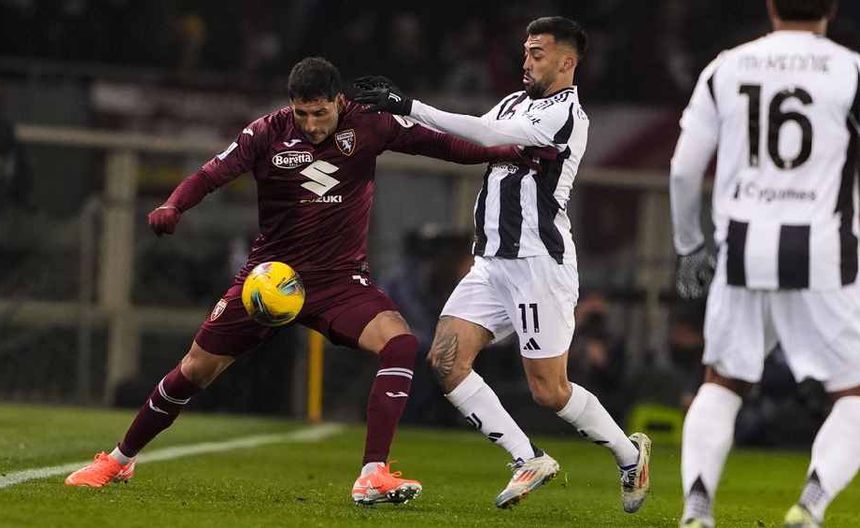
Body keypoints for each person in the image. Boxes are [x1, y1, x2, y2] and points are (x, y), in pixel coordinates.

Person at [64, 57, 544, 505]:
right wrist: (174, 205)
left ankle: (373, 473)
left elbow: (441, 145)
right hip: (269, 280)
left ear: (338, 100)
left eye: (319, 113)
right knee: (194, 370)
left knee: (400, 344)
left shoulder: (370, 123)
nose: (311, 125)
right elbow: (210, 174)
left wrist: (505, 152)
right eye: (301, 114)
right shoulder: (265, 132)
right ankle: (118, 460)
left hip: (339, 281)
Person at [352, 16, 651, 512]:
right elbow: (469, 139)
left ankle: (629, 455)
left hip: (538, 264)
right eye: (525, 51)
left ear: (566, 62)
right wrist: (394, 122)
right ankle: (527, 458)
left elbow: (487, 133)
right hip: (492, 263)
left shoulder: (568, 116)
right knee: (445, 360)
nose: (526, 61)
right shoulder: (514, 101)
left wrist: (411, 105)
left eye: (537, 53)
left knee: (549, 391)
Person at [670, 1, 860, 526]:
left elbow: (684, 170)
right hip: (826, 250)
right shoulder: (851, 70)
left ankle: (697, 504)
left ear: (772, 5)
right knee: (852, 391)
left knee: (722, 382)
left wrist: (689, 246)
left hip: (743, 248)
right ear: (832, 9)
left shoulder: (726, 67)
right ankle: (812, 503)